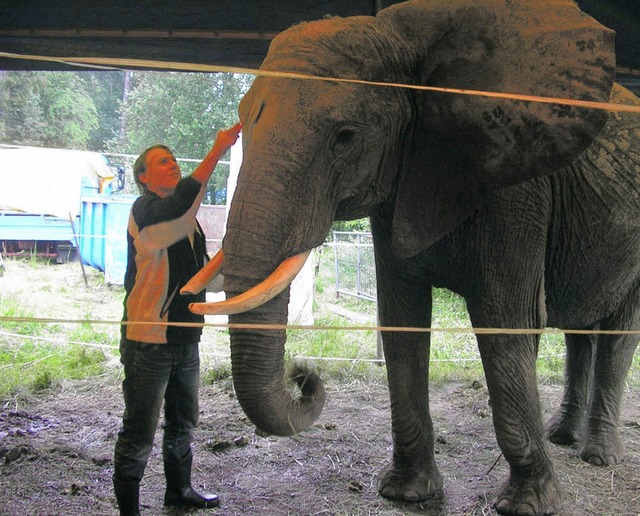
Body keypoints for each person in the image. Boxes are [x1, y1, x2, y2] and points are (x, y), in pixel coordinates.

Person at [113, 122, 242, 515]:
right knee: (140, 432)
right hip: (149, 341)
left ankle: (179, 492)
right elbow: (182, 200)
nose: (172, 165)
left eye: (173, 160)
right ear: (144, 177)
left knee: (184, 423)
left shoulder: (189, 225)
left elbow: (197, 275)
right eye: (162, 161)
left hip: (186, 339)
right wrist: (218, 149)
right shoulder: (146, 213)